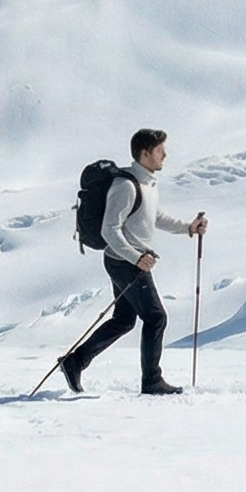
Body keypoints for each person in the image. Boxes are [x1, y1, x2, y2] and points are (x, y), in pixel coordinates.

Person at [59, 127, 206, 395]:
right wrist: (137, 257)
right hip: (124, 261)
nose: (165, 155)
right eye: (160, 150)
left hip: (130, 261)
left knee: (125, 320)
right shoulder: (125, 186)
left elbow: (154, 216)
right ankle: (152, 381)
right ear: (145, 153)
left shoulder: (146, 183)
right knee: (156, 317)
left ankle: (75, 361)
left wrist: (188, 228)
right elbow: (109, 230)